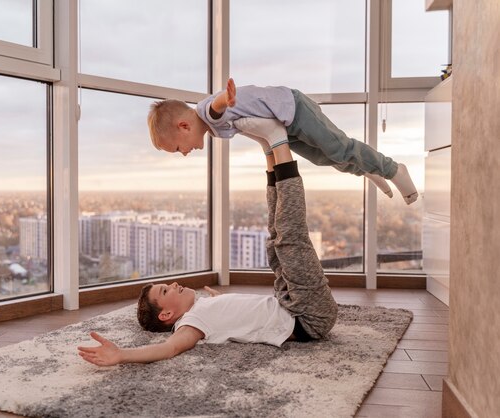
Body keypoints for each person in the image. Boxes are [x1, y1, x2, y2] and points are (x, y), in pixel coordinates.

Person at [78, 141, 338, 366]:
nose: (174, 284)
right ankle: (280, 144)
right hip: (308, 317)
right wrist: (121, 355)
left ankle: (270, 152)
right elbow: (169, 348)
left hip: (287, 301)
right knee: (290, 240)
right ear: (166, 315)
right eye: (165, 291)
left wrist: (218, 299)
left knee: (275, 240)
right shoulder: (191, 324)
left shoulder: (202, 307)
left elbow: (229, 314)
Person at [146, 78, 418, 204]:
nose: (184, 153)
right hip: (285, 126)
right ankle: (367, 170)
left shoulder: (207, 112)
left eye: (179, 148)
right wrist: (268, 146)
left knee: (338, 147)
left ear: (183, 126)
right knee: (324, 158)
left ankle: (393, 169)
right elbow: (253, 129)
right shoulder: (214, 130)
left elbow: (216, 107)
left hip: (294, 108)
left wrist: (224, 99)